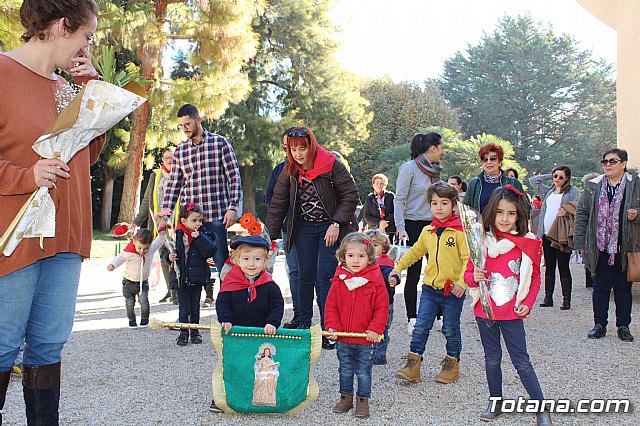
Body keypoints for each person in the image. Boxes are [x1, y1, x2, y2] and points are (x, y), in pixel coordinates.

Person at [0, 1, 102, 423]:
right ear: (62, 26)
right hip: (16, 236)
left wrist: (93, 95)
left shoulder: (66, 86)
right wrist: (27, 175)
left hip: (66, 235)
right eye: (87, 37)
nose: (88, 47)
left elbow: (87, 155)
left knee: (47, 346)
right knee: (4, 343)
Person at [265, 126, 359, 350]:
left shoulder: (331, 164)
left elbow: (350, 195)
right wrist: (269, 238)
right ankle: (305, 327)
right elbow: (278, 203)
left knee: (324, 276)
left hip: (329, 227)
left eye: (302, 148)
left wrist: (336, 223)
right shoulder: (289, 170)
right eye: (293, 149)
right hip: (303, 227)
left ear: (311, 146)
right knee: (304, 276)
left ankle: (328, 330)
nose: (298, 154)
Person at [464, 186, 551, 425]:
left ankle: (541, 409)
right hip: (486, 312)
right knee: (492, 359)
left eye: (511, 213)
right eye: (500, 212)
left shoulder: (529, 242)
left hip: (512, 313)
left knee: (521, 361)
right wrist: (474, 278)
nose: (504, 218)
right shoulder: (480, 241)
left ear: (519, 215)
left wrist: (529, 303)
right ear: (491, 212)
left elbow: (533, 278)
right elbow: (468, 274)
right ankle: (496, 401)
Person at [162, 104, 242, 307]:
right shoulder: (180, 152)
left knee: (222, 264)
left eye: (188, 124)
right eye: (181, 126)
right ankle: (189, 314)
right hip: (191, 222)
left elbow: (234, 177)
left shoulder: (220, 143)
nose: (185, 129)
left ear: (199, 120)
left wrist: (233, 206)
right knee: (189, 266)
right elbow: (174, 185)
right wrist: (167, 209)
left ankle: (228, 310)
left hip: (216, 217)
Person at [392, 182, 469, 384]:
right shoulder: (428, 231)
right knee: (421, 326)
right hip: (429, 290)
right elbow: (414, 253)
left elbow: (469, 260)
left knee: (450, 328)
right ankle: (412, 366)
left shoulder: (460, 232)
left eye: (444, 203)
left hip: (452, 291)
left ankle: (452, 364)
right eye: (434, 203)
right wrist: (398, 269)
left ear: (454, 205)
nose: (439, 207)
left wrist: (462, 283)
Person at [211, 235, 284, 413]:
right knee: (231, 365)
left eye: (257, 259)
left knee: (257, 368)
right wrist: (225, 319)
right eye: (246, 259)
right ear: (236, 259)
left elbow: (277, 305)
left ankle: (257, 397)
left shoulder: (269, 285)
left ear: (266, 260)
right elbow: (223, 302)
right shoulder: (230, 281)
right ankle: (224, 398)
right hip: (236, 333)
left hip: (261, 333)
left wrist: (272, 323)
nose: (251, 263)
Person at [574, 149, 640, 342]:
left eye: (613, 161)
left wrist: (637, 214)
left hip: (624, 246)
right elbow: (582, 215)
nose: (608, 165)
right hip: (599, 247)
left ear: (624, 163)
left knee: (623, 288)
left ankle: (623, 326)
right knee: (600, 287)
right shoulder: (592, 186)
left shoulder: (635, 185)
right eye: (605, 161)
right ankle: (599, 325)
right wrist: (580, 242)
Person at [325, 233, 389, 419]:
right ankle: (345, 397)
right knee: (344, 368)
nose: (355, 260)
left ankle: (363, 400)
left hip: (366, 338)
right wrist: (332, 327)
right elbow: (331, 306)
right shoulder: (339, 281)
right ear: (343, 257)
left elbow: (382, 308)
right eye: (350, 256)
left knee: (363, 371)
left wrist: (375, 329)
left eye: (361, 256)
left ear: (369, 258)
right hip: (344, 336)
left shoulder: (376, 282)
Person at [393, 132, 445, 335]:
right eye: (441, 147)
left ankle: (440, 316)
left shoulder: (436, 171)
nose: (443, 151)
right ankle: (412, 318)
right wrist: (400, 226)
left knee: (439, 270)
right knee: (413, 273)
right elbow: (400, 199)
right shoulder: (409, 168)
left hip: (433, 224)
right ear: (432, 149)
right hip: (412, 225)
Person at [529, 166, 581, 310]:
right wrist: (550, 174)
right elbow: (533, 181)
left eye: (561, 177)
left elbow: (580, 207)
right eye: (555, 176)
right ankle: (548, 297)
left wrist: (566, 210)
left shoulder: (572, 192)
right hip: (546, 234)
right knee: (549, 266)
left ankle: (566, 300)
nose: (557, 179)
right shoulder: (548, 191)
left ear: (567, 179)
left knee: (563, 266)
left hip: (561, 235)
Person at [165, 204, 217, 346]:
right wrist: (169, 257)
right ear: (183, 221)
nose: (198, 224)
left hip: (197, 277)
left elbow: (210, 251)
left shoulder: (203, 235)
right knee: (183, 308)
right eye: (194, 220)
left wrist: (199, 238)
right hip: (181, 277)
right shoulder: (177, 234)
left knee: (195, 307)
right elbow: (166, 250)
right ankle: (183, 332)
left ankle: (195, 332)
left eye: (200, 221)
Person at [132, 147, 179, 304]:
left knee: (177, 257)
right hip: (159, 223)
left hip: (177, 221)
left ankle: (178, 291)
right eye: (166, 158)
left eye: (172, 158)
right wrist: (136, 222)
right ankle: (170, 291)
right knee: (164, 256)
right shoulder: (155, 176)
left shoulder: (182, 174)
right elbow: (147, 201)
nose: (169, 161)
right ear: (162, 160)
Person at [265, 127, 300, 329]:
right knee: (294, 271)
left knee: (320, 274)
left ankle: (326, 321)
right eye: (286, 147)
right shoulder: (279, 169)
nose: (290, 151)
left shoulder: (315, 167)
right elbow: (270, 196)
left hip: (315, 229)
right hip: (290, 228)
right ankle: (299, 315)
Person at [107, 225, 167, 327]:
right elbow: (120, 258)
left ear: (150, 245)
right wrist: (113, 265)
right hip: (128, 282)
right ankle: (132, 321)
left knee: (144, 301)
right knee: (130, 303)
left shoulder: (151, 249)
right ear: (134, 241)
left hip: (143, 282)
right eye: (139, 248)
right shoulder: (129, 252)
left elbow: (161, 240)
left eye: (145, 249)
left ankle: (144, 320)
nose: (142, 251)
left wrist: (161, 229)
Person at [463, 143, 530, 215]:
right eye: (485, 159)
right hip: (481, 226)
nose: (489, 162)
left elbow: (525, 208)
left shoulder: (513, 183)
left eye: (493, 158)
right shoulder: (474, 183)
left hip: (506, 225)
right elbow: (466, 209)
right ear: (482, 163)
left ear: (500, 162)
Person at [364, 229, 398, 365]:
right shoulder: (362, 263)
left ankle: (379, 355)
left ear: (384, 249)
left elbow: (391, 275)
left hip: (383, 305)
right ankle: (367, 353)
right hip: (366, 304)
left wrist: (393, 279)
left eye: (375, 245)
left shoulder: (385, 264)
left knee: (381, 330)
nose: (371, 248)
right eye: (368, 244)